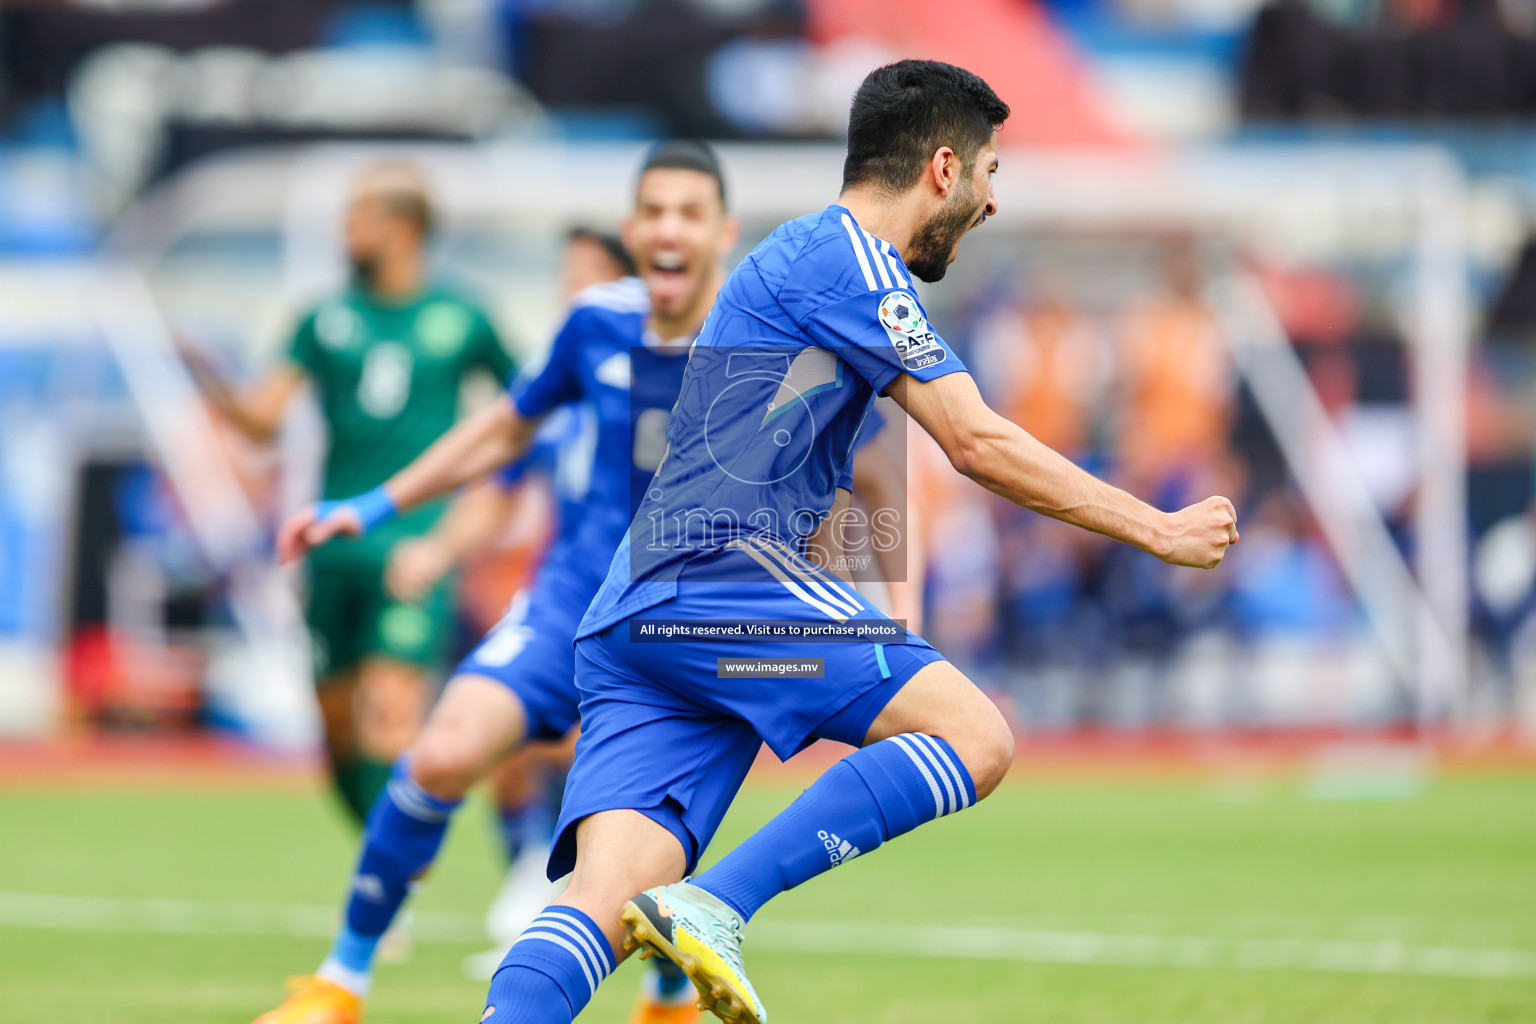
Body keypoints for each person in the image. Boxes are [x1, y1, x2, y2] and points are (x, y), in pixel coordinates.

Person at [471, 59, 1240, 1024]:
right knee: (976, 735)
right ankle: (715, 905)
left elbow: (820, 462)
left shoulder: (798, 259)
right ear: (945, 167)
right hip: (718, 574)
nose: (994, 202)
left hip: (638, 611)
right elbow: (976, 441)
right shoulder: (851, 260)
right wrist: (1155, 527)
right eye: (992, 173)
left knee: (597, 908)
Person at [252, 141, 740, 1024]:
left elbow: (845, 472)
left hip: (682, 627)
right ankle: (340, 983)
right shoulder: (593, 322)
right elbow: (501, 434)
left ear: (722, 232)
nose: (669, 229)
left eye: (689, 212)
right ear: (634, 230)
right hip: (569, 607)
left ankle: (668, 996)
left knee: (632, 849)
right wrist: (372, 505)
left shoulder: (761, 342)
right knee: (440, 752)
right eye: (654, 212)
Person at [190, 161, 516, 825]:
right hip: (333, 540)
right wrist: (211, 378)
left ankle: (385, 889)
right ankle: (379, 850)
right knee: (338, 726)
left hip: (413, 545)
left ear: (403, 228)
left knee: (391, 706)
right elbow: (263, 422)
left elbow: (526, 417)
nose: (346, 231)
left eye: (358, 217)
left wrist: (479, 510)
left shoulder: (463, 317)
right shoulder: (324, 319)